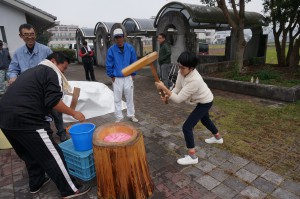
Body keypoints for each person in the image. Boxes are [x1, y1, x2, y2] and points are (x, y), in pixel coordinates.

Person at [0, 52, 91, 198]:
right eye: (63, 68)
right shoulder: (50, 71)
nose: (63, 72)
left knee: (30, 154)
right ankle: (70, 189)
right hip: (27, 118)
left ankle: (37, 182)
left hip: (5, 119)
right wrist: (74, 113)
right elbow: (53, 101)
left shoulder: (33, 71)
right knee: (52, 155)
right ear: (54, 61)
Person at [155, 51, 223, 166]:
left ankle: (192, 156)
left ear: (191, 68)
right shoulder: (182, 72)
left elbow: (178, 99)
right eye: (179, 66)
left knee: (187, 127)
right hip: (201, 100)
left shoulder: (194, 80)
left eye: (182, 68)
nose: (180, 69)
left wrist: (164, 88)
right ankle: (218, 138)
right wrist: (167, 94)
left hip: (205, 101)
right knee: (205, 120)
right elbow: (177, 89)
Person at [7, 23, 67, 142]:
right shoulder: (18, 52)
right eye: (26, 35)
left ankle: (62, 132)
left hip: (47, 88)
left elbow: (56, 67)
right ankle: (47, 134)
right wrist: (13, 77)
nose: (30, 37)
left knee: (56, 111)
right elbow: (13, 69)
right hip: (31, 92)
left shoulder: (45, 50)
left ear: (35, 34)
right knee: (40, 115)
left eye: (32, 34)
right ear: (21, 36)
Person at [106, 28, 139, 123]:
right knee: (117, 98)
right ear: (114, 39)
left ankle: (131, 114)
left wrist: (133, 74)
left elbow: (134, 62)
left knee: (130, 97)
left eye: (120, 37)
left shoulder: (130, 48)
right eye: (116, 37)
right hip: (117, 78)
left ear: (123, 37)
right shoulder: (111, 50)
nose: (118, 39)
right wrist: (111, 75)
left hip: (128, 77)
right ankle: (119, 116)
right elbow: (109, 63)